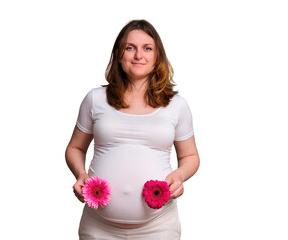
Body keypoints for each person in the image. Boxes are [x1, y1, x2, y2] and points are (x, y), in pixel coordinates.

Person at [65, 19, 200, 240]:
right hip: (98, 227)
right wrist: (80, 174)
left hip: (159, 226)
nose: (139, 56)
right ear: (119, 54)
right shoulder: (95, 99)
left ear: (157, 57)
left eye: (147, 48)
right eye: (130, 48)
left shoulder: (177, 104)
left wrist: (180, 175)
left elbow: (190, 155)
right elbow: (75, 148)